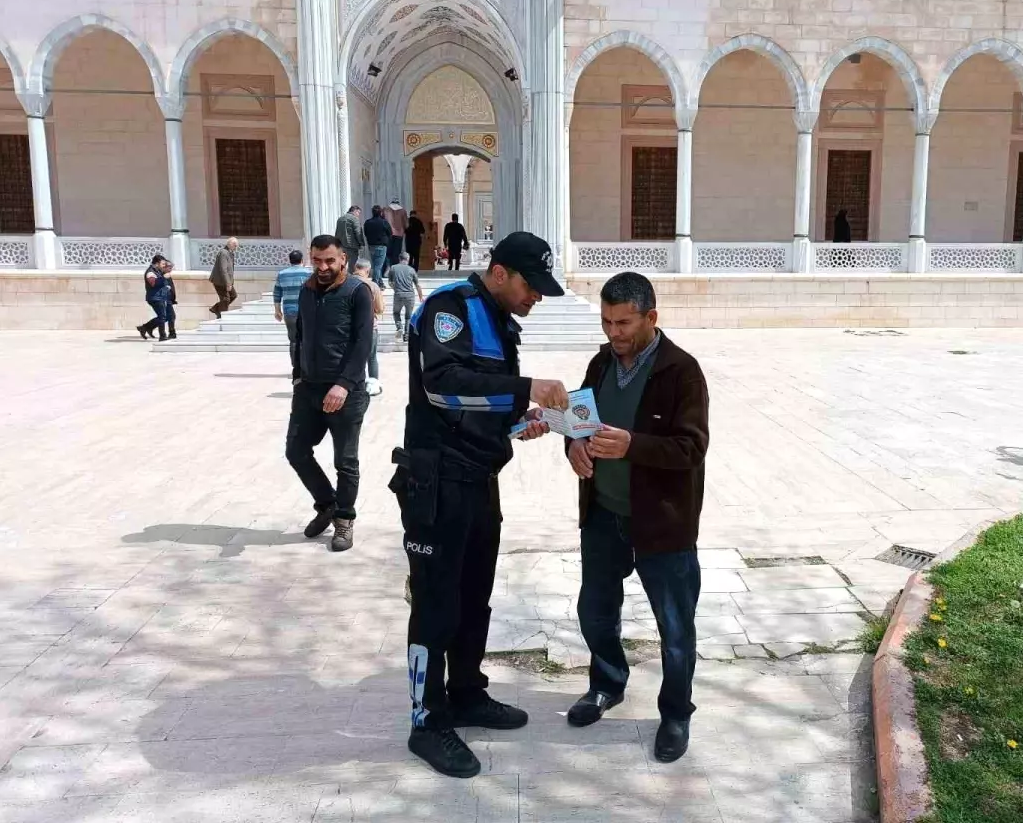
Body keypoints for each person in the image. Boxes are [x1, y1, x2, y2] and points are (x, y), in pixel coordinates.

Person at [394, 231, 570, 778]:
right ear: (499, 273)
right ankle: (427, 720)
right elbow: (442, 388)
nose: (535, 297)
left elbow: (482, 402)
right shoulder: (448, 309)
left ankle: (467, 691)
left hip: (479, 479)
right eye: (530, 285)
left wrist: (521, 422)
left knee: (475, 598)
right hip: (438, 482)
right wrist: (526, 391)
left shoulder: (499, 322)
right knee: (436, 602)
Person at [565, 272, 709, 765]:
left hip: (662, 524)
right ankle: (607, 684)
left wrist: (633, 445)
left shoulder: (681, 371)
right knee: (596, 612)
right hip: (603, 514)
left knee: (674, 624)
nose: (614, 333)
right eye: (607, 321)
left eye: (624, 322)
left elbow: (691, 448)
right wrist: (575, 447)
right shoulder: (601, 362)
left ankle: (675, 712)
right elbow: (579, 420)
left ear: (651, 317)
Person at [286, 234, 374, 554]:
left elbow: (364, 342)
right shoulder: (307, 290)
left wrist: (345, 384)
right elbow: (301, 336)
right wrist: (298, 376)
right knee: (296, 451)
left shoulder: (357, 292)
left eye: (329, 261)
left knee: (345, 461)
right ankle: (327, 504)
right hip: (308, 389)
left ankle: (344, 519)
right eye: (317, 260)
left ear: (343, 260)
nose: (323, 267)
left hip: (344, 392)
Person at [273, 249, 310, 375]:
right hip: (306, 312)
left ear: (290, 260)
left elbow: (277, 293)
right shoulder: (308, 273)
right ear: (302, 260)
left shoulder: (282, 274)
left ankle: (296, 367)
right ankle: (306, 367)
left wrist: (277, 310)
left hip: (289, 311)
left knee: (294, 340)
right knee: (306, 340)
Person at [354, 257, 386, 397]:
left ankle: (354, 384)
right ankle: (373, 386)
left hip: (348, 327)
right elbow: (379, 308)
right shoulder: (372, 286)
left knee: (352, 357)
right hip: (369, 327)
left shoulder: (345, 283)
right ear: (367, 270)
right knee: (371, 357)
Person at [138, 254, 174, 342]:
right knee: (162, 317)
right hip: (155, 298)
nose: (164, 266)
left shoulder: (158, 271)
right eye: (163, 264)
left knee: (167, 316)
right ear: (157, 263)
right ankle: (162, 336)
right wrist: (163, 278)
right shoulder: (150, 272)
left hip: (160, 297)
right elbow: (153, 283)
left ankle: (145, 327)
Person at [389, 251, 424, 342]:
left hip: (398, 294)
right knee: (408, 317)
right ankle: (406, 336)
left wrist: (395, 289)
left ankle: (399, 327)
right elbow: (418, 285)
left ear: (399, 259)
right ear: (407, 259)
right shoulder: (411, 270)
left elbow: (390, 282)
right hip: (410, 296)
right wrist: (421, 297)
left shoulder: (393, 268)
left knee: (396, 313)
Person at [209, 237, 238, 318]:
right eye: (235, 245)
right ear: (229, 244)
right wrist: (228, 283)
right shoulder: (223, 253)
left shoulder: (230, 253)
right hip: (220, 281)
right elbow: (223, 269)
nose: (236, 247)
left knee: (233, 295)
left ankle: (216, 308)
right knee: (226, 299)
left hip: (226, 281)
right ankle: (221, 316)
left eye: (237, 245)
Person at [364, 205, 392, 289]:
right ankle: (375, 284)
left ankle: (380, 282)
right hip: (381, 246)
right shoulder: (384, 222)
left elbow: (365, 233)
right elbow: (390, 233)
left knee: (376, 265)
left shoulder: (368, 222)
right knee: (378, 266)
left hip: (371, 245)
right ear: (380, 213)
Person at [335, 205, 366, 270]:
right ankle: (350, 279)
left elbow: (337, 232)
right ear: (355, 211)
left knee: (342, 264)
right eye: (358, 213)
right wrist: (362, 243)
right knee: (352, 265)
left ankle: (340, 278)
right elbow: (358, 232)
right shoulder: (354, 219)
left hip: (341, 245)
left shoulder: (340, 218)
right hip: (351, 246)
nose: (358, 215)